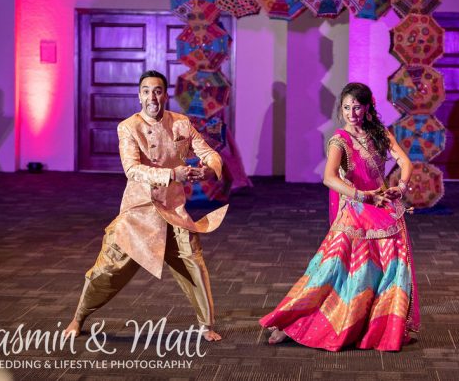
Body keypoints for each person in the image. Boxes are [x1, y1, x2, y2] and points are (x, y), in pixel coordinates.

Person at [64, 70, 227, 341]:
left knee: (193, 262)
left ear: (165, 94)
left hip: (174, 210)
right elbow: (132, 169)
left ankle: (206, 325)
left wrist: (208, 171)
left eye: (158, 90)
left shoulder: (181, 123)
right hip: (139, 211)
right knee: (108, 269)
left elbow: (209, 153)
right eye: (147, 91)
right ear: (139, 96)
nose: (153, 97)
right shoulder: (128, 127)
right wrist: (174, 174)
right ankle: (78, 316)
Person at [260, 82, 419, 352]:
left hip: (384, 212)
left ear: (368, 108)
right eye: (346, 108)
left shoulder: (379, 133)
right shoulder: (340, 140)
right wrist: (364, 196)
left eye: (357, 107)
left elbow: (405, 161)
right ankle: (291, 322)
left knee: (389, 272)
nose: (351, 113)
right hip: (356, 213)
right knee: (331, 270)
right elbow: (329, 178)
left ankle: (374, 325)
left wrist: (400, 187)